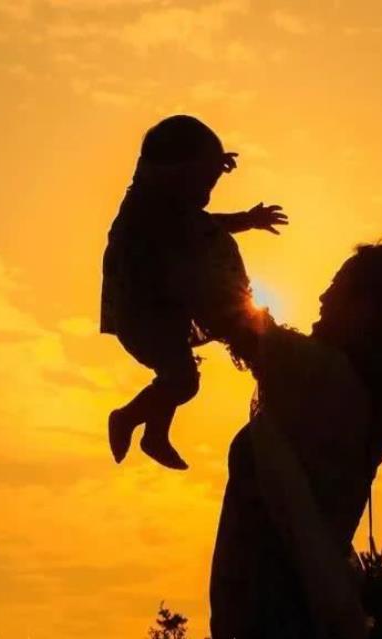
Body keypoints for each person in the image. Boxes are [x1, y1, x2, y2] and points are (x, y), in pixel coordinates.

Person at [210, 243, 382, 639]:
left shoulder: (333, 382)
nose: (322, 298)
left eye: (336, 288)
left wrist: (193, 242)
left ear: (367, 311)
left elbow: (238, 321)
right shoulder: (359, 401)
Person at [100, 115, 287, 470]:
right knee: (183, 382)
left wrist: (246, 217)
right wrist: (245, 219)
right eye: (204, 182)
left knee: (176, 375)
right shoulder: (151, 211)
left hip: (163, 315)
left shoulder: (170, 209)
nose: (207, 193)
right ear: (178, 174)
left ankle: (154, 435)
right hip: (144, 318)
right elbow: (204, 226)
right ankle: (126, 417)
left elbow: (206, 223)